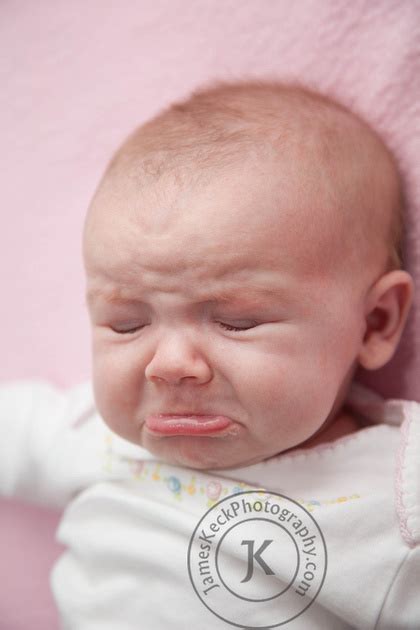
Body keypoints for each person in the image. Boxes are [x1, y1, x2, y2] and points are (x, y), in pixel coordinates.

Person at [1, 79, 419, 629]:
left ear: (375, 321)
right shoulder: (92, 435)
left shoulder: (398, 488)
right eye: (126, 324)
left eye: (235, 321)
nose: (170, 365)